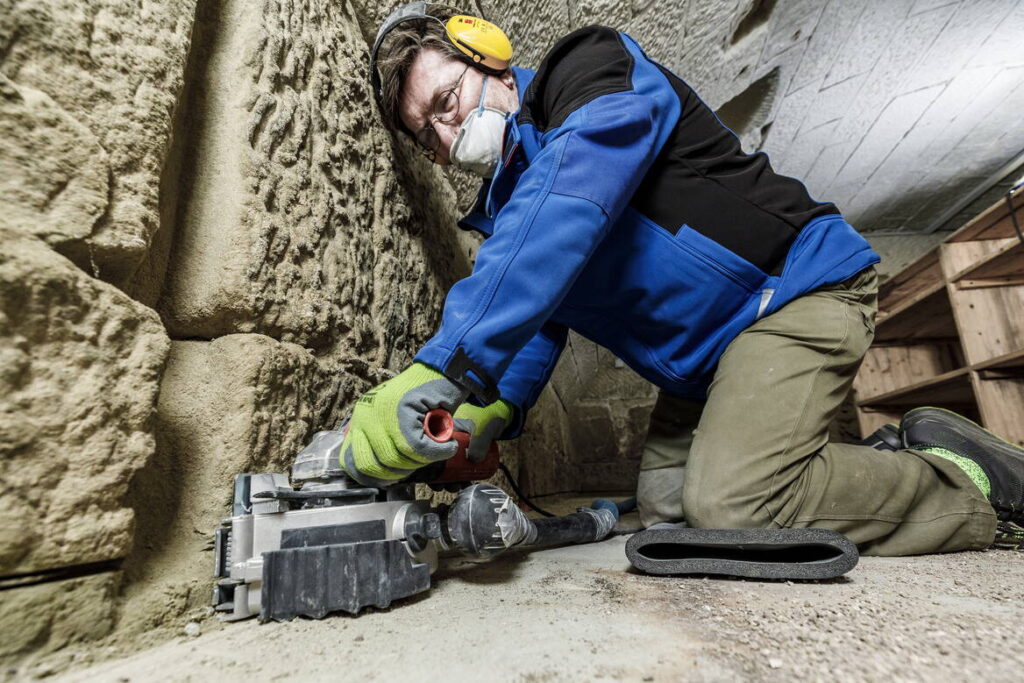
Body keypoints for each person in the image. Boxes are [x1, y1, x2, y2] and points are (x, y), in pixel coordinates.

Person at [340, 3, 1023, 554]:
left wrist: (448, 363)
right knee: (668, 514)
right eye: (428, 127)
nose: (447, 127)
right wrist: (489, 408)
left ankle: (966, 483)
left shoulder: (589, 71)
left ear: (492, 59)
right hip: (708, 360)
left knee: (734, 506)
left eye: (447, 96)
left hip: (792, 292)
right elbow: (541, 323)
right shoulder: (510, 211)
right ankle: (869, 459)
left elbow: (571, 191)